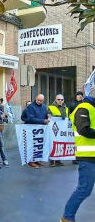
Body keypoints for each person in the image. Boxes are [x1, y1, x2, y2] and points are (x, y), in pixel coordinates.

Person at [60, 90, 95, 222]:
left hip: (92, 155)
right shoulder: (83, 108)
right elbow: (83, 129)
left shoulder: (91, 108)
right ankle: (67, 217)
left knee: (84, 189)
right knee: (84, 189)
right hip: (88, 157)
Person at [25, 94, 50, 169]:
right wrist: (43, 120)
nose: (39, 101)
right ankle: (30, 161)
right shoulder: (30, 107)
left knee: (39, 145)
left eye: (41, 100)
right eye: (38, 100)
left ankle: (37, 160)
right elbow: (31, 118)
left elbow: (45, 115)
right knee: (31, 145)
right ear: (36, 98)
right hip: (32, 128)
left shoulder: (44, 106)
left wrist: (48, 117)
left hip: (41, 128)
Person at [48, 94, 69, 167]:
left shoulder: (66, 108)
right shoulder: (50, 107)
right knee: (52, 144)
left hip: (62, 129)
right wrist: (49, 115)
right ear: (55, 100)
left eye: (62, 100)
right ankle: (51, 160)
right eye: (58, 99)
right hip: (53, 129)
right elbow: (48, 115)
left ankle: (57, 159)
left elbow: (67, 117)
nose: (60, 101)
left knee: (60, 144)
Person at [0, 98, 9, 168]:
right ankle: (4, 159)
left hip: (0, 128)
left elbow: (4, 117)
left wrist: (5, 118)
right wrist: (2, 117)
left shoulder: (1, 107)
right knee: (0, 144)